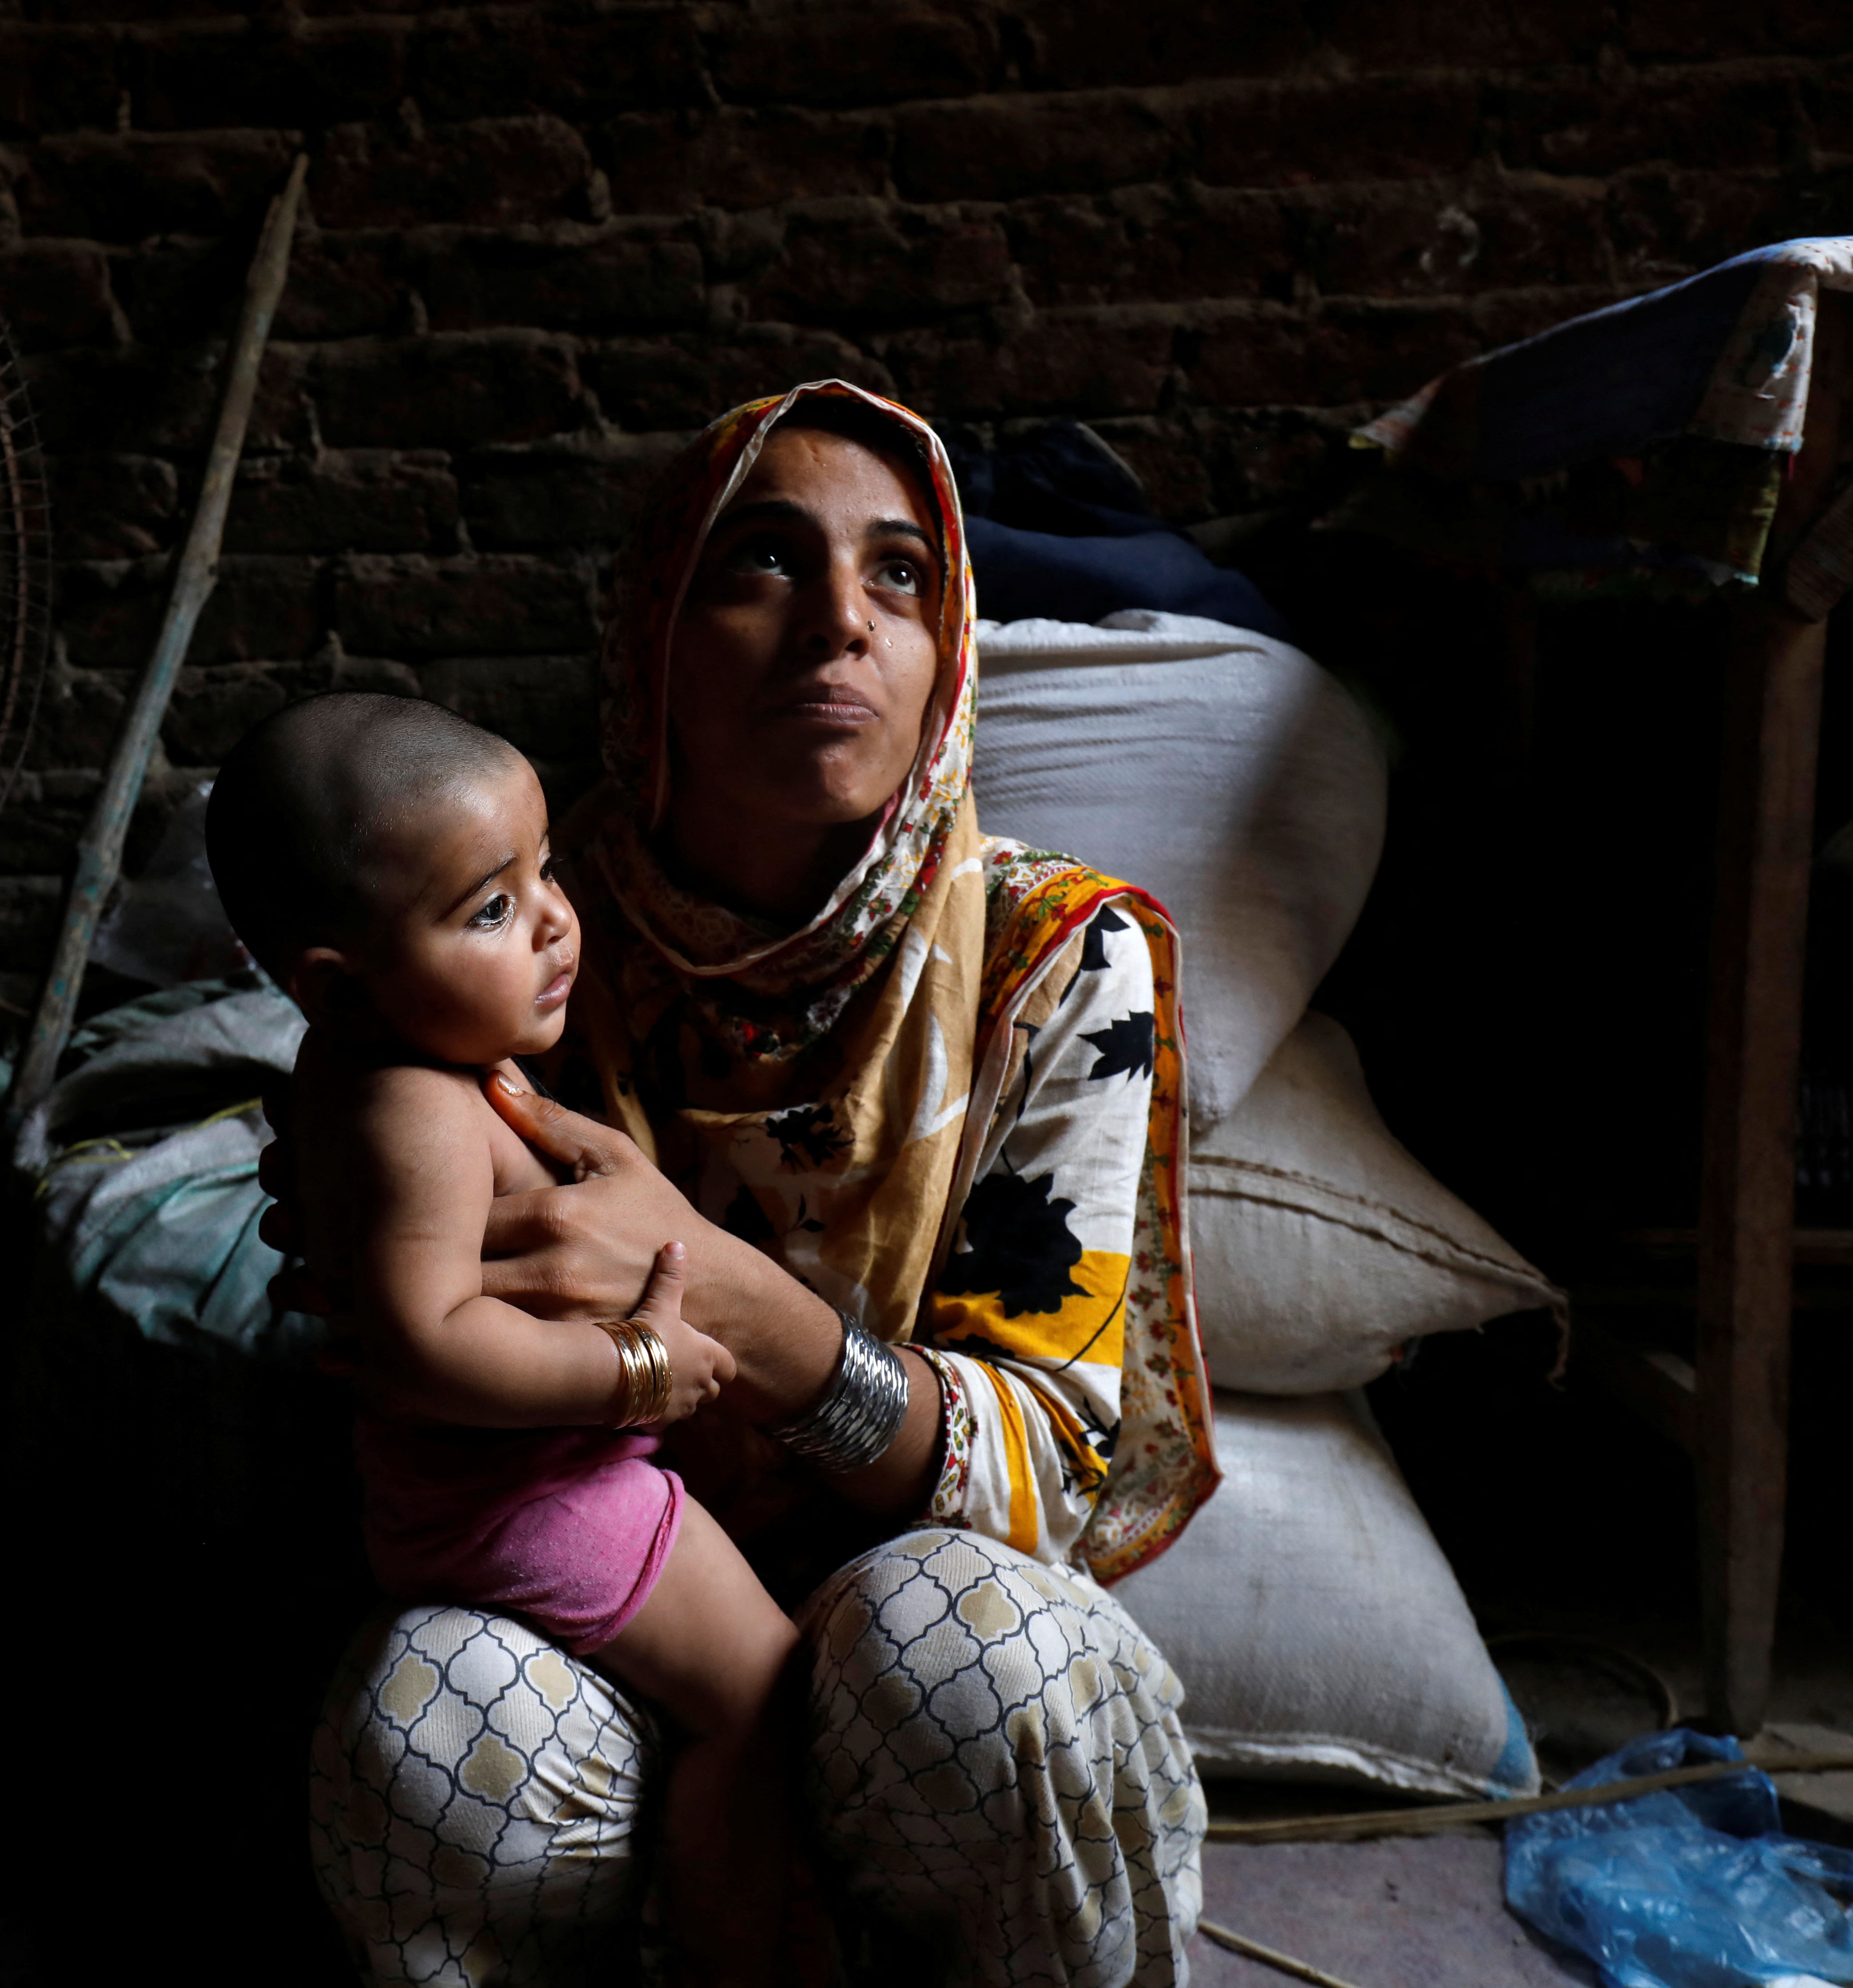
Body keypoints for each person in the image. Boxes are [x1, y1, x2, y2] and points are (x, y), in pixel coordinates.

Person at [284, 381, 1222, 1987]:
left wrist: (718, 1299)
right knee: (420, 1726)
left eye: (904, 574)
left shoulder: (1058, 965)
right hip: (605, 1619)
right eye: (767, 564)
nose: (844, 624)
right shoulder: (499, 946)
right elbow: (396, 1323)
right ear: (655, 634)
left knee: (984, 1655)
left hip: (906, 1666)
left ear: (951, 654)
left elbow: (1038, 1486)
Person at [205, 694, 802, 1988]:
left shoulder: (403, 1060)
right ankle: (728, 1948)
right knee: (765, 1698)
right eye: (489, 908)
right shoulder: (410, 1106)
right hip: (527, 1498)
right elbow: (426, 1343)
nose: (553, 920)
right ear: (336, 985)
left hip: (512, 1485)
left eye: (544, 871)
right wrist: (642, 1364)